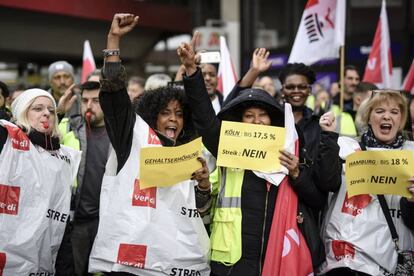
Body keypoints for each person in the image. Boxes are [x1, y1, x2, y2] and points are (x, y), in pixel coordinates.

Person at [178, 32, 327, 276]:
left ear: (273, 121)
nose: (256, 121)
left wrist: (297, 173)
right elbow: (205, 120)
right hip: (231, 261)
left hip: (277, 253)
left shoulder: (290, 151)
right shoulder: (228, 146)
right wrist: (192, 72)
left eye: (263, 115)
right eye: (249, 116)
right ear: (240, 122)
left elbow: (317, 201)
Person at [88, 14, 211, 275]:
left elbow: (199, 215)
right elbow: (115, 97)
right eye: (166, 112)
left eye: (179, 114)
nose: (173, 119)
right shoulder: (132, 138)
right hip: (130, 262)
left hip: (172, 263)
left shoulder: (188, 152)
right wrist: (114, 41)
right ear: (152, 114)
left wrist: (202, 186)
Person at [317, 90, 414, 275]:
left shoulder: (412, 155)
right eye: (379, 111)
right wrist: (328, 138)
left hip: (391, 261)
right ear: (368, 117)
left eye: (394, 112)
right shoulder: (347, 149)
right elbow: (326, 182)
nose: (387, 116)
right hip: (348, 260)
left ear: (401, 120)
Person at [0, 89, 80, 274]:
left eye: (51, 111)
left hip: (43, 261)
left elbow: (61, 224)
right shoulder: (7, 140)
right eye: (37, 108)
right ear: (22, 114)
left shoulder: (64, 157)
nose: (46, 113)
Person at [57, 69, 110, 276]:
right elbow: (43, 141)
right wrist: (59, 111)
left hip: (106, 221)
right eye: (85, 100)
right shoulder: (68, 128)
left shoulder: (119, 135)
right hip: (76, 222)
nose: (89, 106)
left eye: (96, 101)